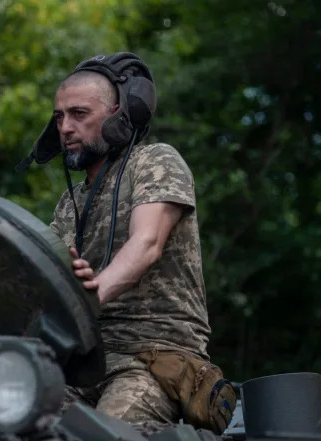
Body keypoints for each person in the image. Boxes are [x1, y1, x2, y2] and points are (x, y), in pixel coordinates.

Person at [19, 53, 232, 434]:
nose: (65, 128)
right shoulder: (70, 204)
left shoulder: (155, 162)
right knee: (9, 419)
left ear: (119, 116)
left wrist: (88, 293)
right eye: (59, 117)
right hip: (81, 360)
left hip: (152, 356)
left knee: (101, 433)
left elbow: (146, 244)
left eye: (79, 114)